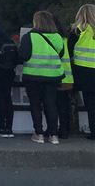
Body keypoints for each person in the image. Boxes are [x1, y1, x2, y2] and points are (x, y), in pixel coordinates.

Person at [19, 11, 64, 145]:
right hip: (53, 76)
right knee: (51, 105)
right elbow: (60, 54)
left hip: (33, 76)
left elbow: (24, 56)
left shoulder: (29, 37)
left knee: (35, 105)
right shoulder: (58, 37)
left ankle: (39, 133)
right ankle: (53, 134)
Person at [70, 4, 95, 140]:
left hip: (84, 73)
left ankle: (94, 131)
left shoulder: (77, 31)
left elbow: (68, 51)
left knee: (91, 104)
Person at [54, 15, 74, 139]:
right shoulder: (66, 39)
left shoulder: (54, 39)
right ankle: (65, 129)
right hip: (68, 77)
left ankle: (58, 129)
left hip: (56, 76)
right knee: (64, 105)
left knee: (55, 105)